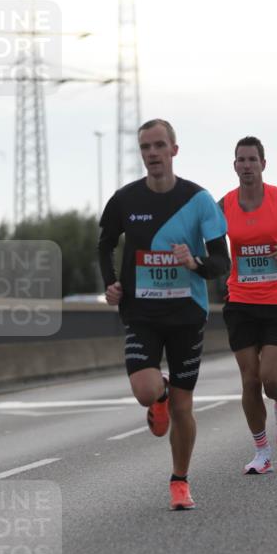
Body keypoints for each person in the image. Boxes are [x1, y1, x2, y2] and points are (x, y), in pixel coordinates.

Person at [98, 119, 230, 510]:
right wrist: (110, 284)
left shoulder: (199, 200)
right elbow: (104, 245)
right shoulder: (125, 200)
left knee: (184, 409)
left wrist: (195, 263)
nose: (152, 154)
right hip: (141, 311)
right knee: (145, 391)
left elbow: (221, 261)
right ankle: (160, 395)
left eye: (159, 146)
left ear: (174, 150)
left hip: (187, 313)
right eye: (145, 148)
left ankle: (180, 481)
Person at [219, 137, 277, 475]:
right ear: (234, 166)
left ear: (263, 163)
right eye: (241, 160)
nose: (247, 166)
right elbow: (211, 243)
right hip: (240, 300)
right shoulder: (225, 204)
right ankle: (261, 451)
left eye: (252, 160)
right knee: (249, 380)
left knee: (271, 379)